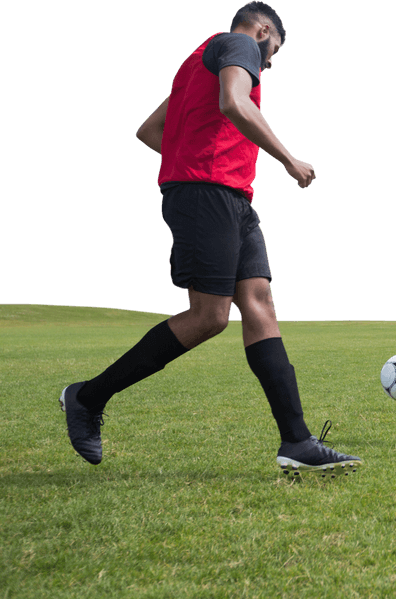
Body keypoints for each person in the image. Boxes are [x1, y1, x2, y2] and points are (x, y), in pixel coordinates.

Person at [58, 1, 360, 477]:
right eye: (274, 51)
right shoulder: (239, 43)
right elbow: (234, 103)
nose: (269, 63)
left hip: (231, 198)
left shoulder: (197, 60)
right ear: (263, 30)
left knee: (259, 304)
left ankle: (297, 441)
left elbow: (149, 131)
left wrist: (189, 157)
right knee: (210, 316)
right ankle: (87, 397)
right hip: (207, 196)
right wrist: (288, 160)